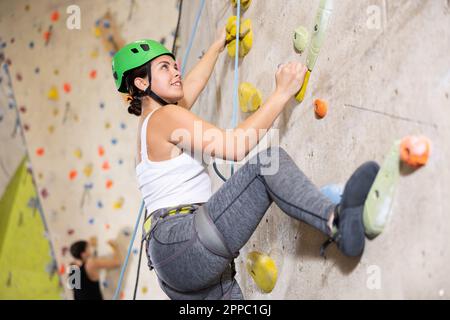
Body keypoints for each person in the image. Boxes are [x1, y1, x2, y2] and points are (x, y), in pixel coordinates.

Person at [111, 27, 380, 300]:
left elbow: (191, 84)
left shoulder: (151, 125)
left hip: (175, 267)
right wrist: (282, 92)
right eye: (164, 67)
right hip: (183, 241)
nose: (176, 71)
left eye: (174, 64)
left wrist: (217, 45)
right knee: (266, 165)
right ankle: (339, 222)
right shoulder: (165, 117)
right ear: (142, 83)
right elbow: (236, 147)